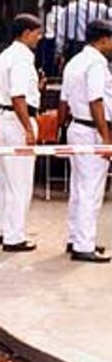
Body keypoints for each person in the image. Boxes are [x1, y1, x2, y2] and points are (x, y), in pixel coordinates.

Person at [58, 19, 112, 263]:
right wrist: (106, 136)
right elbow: (96, 101)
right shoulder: (96, 64)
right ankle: (84, 245)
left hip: (76, 127)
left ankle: (77, 237)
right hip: (91, 130)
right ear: (103, 39)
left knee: (80, 188)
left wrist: (61, 127)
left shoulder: (75, 61)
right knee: (91, 190)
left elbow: (63, 100)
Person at [0, 14, 42, 252]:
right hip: (18, 120)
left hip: (4, 118)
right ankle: (14, 236)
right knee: (19, 181)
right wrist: (28, 128)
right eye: (37, 33)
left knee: (2, 179)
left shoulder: (5, 55)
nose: (39, 38)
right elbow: (18, 96)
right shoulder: (21, 59)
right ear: (27, 32)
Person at [56, 0, 109, 64]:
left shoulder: (68, 8)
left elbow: (61, 32)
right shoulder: (100, 8)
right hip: (92, 44)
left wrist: (59, 50)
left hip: (72, 46)